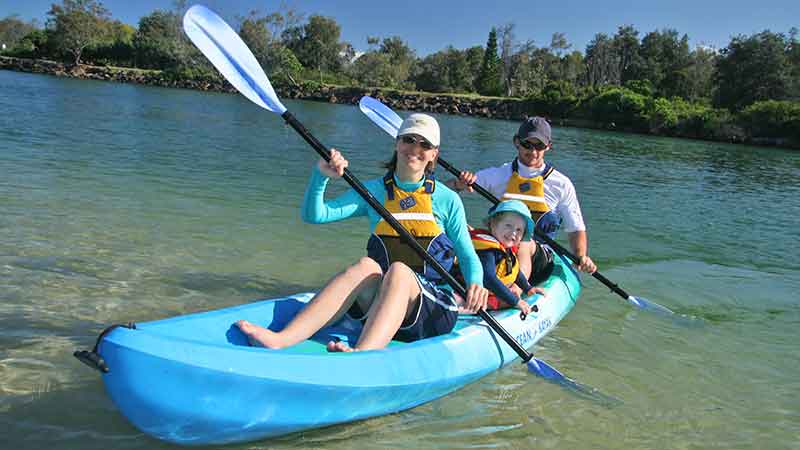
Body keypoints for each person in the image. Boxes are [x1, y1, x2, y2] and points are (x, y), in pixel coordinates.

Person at [237, 113, 488, 352]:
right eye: (409, 139)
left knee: (399, 271)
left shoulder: (448, 199)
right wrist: (320, 176)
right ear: (397, 144)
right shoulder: (373, 191)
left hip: (432, 310)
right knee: (366, 266)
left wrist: (475, 283)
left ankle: (363, 353)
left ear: (434, 154)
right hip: (380, 306)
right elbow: (316, 215)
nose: (415, 148)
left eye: (424, 144)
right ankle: (282, 339)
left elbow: (467, 256)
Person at [450, 116, 597, 284]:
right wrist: (458, 183)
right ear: (516, 142)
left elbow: (575, 228)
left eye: (539, 146)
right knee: (464, 228)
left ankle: (518, 290)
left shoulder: (561, 184)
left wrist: (580, 256)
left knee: (524, 242)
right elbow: (447, 192)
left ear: (548, 146)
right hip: (501, 247)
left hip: (539, 256)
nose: (533, 152)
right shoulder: (499, 175)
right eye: (527, 144)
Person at [465, 200, 546, 316]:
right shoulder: (488, 251)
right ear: (493, 224)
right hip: (468, 290)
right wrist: (515, 301)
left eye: (519, 230)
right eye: (508, 226)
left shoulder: (505, 248)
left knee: (503, 300)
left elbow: (515, 272)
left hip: (489, 291)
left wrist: (528, 288)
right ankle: (461, 306)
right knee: (499, 301)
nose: (513, 233)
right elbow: (488, 278)